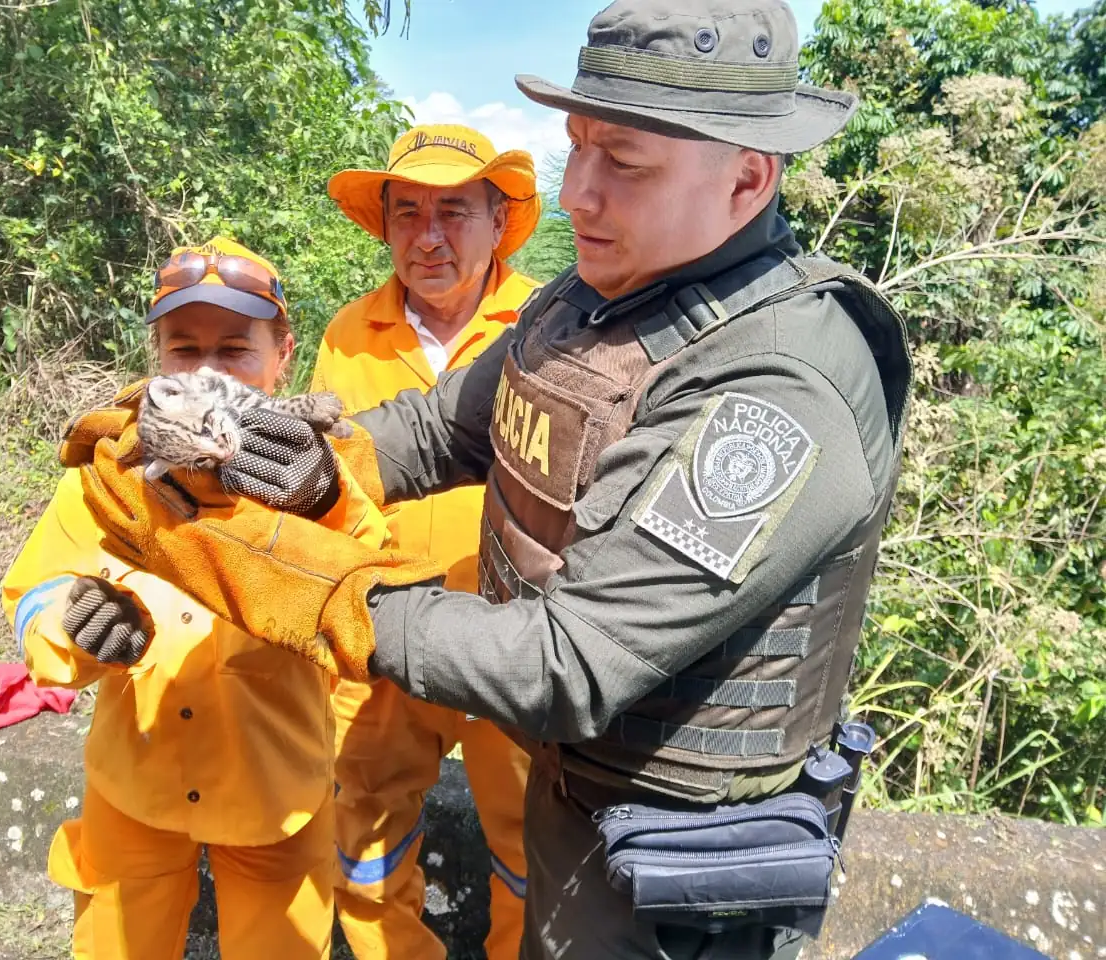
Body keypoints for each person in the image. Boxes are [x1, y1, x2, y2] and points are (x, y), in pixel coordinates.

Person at [70, 0, 915, 957]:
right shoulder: (588, 306)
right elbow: (437, 426)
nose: (579, 195)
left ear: (747, 178)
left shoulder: (776, 384)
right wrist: (276, 456)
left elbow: (570, 661)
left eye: (624, 163)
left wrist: (308, 589)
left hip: (671, 857)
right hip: (570, 789)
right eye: (578, 149)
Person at [0, 238, 397, 960]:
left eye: (235, 349)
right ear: (158, 356)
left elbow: (381, 589)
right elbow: (35, 591)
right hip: (136, 780)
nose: (208, 371)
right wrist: (74, 624)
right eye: (185, 348)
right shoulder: (112, 470)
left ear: (283, 353)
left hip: (279, 791)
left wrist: (323, 502)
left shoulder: (321, 471)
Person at [313, 123, 540, 960]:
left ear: (497, 220)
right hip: (383, 633)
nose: (429, 235)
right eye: (407, 212)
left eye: (454, 210)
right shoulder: (349, 333)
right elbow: (329, 487)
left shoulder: (548, 327)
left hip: (512, 637)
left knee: (533, 841)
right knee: (364, 826)